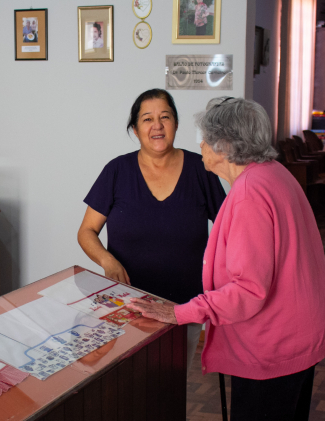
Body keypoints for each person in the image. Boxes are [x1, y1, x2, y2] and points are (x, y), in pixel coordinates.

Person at [127, 97, 325, 421]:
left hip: (274, 346)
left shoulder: (248, 194)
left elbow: (247, 291)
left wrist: (179, 313)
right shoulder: (273, 174)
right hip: (301, 334)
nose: (201, 147)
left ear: (224, 147)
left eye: (205, 139)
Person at [77, 88, 226, 310]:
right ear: (136, 130)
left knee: (181, 347)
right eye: (148, 119)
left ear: (176, 124)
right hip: (127, 300)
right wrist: (107, 261)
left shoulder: (201, 168)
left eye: (165, 117)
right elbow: (86, 231)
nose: (157, 125)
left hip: (186, 305)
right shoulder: (117, 171)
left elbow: (229, 229)